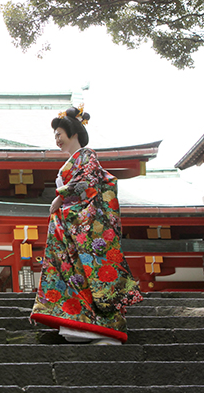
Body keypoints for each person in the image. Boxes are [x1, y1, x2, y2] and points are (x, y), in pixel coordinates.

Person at [30, 105, 142, 345]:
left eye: (59, 134)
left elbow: (88, 180)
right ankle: (78, 324)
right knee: (73, 273)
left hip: (84, 225)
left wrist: (60, 196)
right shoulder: (73, 160)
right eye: (55, 136)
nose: (57, 139)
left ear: (73, 133)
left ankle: (101, 328)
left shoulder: (86, 155)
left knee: (88, 273)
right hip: (70, 225)